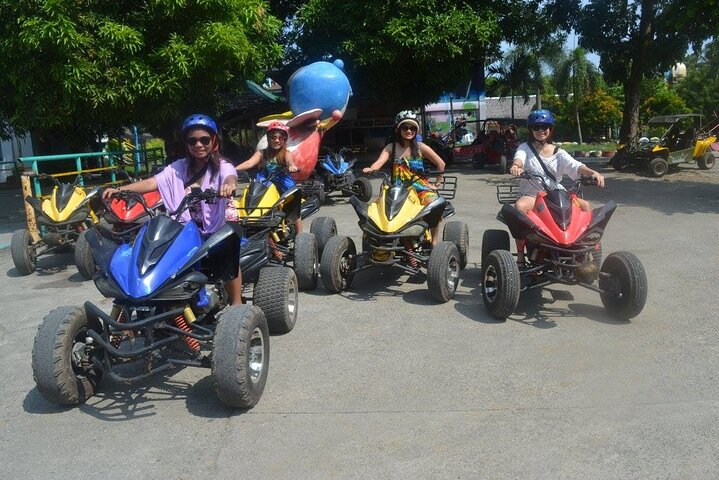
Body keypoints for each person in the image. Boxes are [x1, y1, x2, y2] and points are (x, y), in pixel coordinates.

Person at [102, 114, 243, 304]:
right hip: (184, 229)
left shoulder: (222, 166)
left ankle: (236, 303)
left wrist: (228, 185)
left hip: (214, 228)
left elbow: (230, 176)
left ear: (214, 140)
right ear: (187, 143)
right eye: (192, 141)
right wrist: (120, 190)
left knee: (228, 253)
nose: (198, 145)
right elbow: (153, 182)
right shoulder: (178, 168)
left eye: (204, 139)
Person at [509, 109, 605, 262]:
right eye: (536, 127)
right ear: (531, 130)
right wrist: (516, 166)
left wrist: (593, 172)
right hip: (532, 193)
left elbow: (575, 166)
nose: (541, 130)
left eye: (544, 127)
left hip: (556, 194)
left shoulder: (558, 152)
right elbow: (519, 159)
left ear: (550, 129)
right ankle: (521, 253)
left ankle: (584, 250)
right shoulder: (525, 148)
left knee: (585, 206)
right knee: (519, 207)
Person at [362, 110, 446, 245]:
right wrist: (371, 169)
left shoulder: (421, 147)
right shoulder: (391, 147)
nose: (409, 130)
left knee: (434, 206)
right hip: (396, 187)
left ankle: (434, 242)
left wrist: (437, 184)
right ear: (398, 129)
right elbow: (379, 162)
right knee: (375, 210)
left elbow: (441, 163)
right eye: (405, 127)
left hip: (419, 188)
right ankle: (377, 241)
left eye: (412, 128)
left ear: (416, 130)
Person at [235, 121, 302, 233]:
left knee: (294, 203)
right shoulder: (262, 153)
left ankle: (300, 234)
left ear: (284, 140)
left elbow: (290, 162)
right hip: (265, 181)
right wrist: (233, 169)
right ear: (268, 138)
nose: (277, 140)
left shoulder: (286, 153)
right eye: (273, 137)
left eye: (281, 138)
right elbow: (249, 163)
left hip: (282, 180)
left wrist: (292, 167)